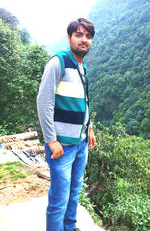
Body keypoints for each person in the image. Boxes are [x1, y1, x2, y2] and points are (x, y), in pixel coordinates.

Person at [37, 18, 96, 231]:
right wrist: (51, 140)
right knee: (58, 200)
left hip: (80, 144)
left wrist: (89, 128)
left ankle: (69, 227)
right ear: (69, 37)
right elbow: (43, 102)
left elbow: (84, 100)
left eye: (88, 37)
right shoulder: (58, 62)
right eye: (79, 35)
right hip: (62, 146)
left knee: (74, 192)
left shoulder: (82, 66)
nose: (84, 40)